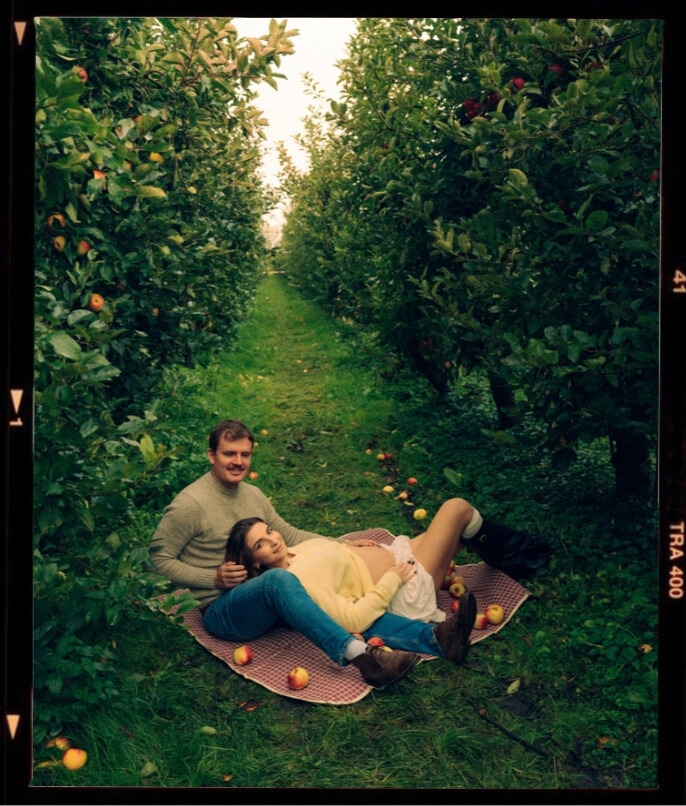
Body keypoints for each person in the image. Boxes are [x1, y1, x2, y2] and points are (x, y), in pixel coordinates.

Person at [150, 418, 550, 686]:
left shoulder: (252, 494)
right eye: (228, 454)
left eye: (245, 454)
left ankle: (436, 638)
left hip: (262, 591)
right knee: (280, 580)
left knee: (320, 601)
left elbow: (288, 533)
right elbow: (158, 559)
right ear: (211, 455)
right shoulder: (190, 504)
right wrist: (212, 579)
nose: (238, 462)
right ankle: (363, 659)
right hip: (224, 609)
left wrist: (342, 544)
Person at [224, 498, 483, 639]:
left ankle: (506, 550)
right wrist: (392, 578)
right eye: (261, 544)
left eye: (270, 531)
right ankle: (513, 552)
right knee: (456, 509)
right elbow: (353, 620)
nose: (274, 540)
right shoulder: (293, 583)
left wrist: (346, 545)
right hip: (407, 583)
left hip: (398, 555)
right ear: (255, 561)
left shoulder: (296, 551)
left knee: (460, 533)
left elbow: (328, 555)